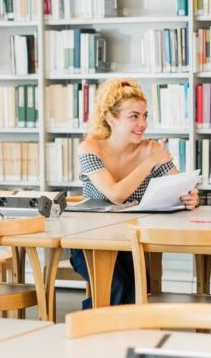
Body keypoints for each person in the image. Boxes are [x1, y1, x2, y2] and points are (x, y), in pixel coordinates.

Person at [67, 78, 199, 308]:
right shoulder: (90, 148)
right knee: (116, 284)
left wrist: (190, 196)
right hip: (89, 240)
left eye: (145, 115)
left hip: (128, 241)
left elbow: (180, 185)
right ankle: (98, 329)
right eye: (134, 116)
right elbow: (115, 195)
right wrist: (149, 163)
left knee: (138, 287)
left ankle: (113, 330)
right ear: (111, 118)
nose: (142, 123)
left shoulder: (151, 149)